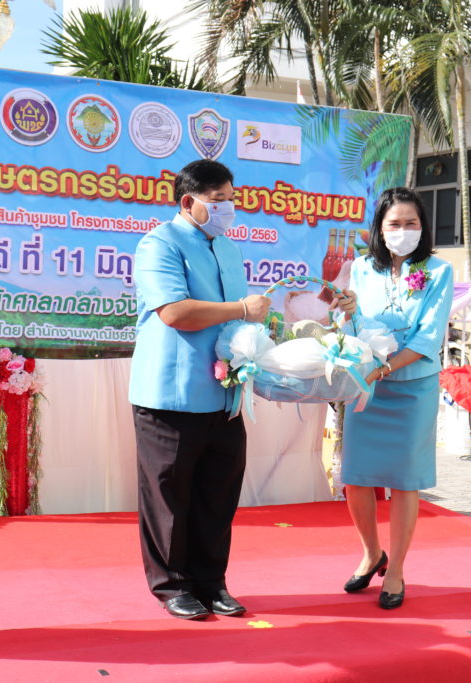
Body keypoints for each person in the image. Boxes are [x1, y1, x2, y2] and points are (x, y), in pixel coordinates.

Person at [129, 160, 271, 620]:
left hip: (225, 392)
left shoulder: (227, 247)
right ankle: (173, 585)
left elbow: (242, 319)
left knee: (218, 493)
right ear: (188, 202)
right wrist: (242, 309)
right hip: (172, 393)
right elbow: (175, 312)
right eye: (219, 201)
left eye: (232, 199)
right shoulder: (159, 244)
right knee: (169, 496)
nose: (228, 208)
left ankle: (212, 582)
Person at [337, 187, 454, 609]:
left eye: (411, 223)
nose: (403, 230)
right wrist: (346, 312)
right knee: (356, 477)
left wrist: (385, 368)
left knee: (405, 481)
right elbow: (350, 326)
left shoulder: (439, 270)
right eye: (394, 224)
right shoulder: (361, 268)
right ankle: (372, 553)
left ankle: (397, 569)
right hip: (366, 384)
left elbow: (428, 337)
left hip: (412, 386)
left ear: (423, 227)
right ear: (380, 228)